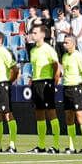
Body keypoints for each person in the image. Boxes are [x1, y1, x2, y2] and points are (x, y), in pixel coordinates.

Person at [26, 24, 61, 153]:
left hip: (47, 82)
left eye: (35, 33)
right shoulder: (33, 50)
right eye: (32, 33)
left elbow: (56, 65)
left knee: (51, 112)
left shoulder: (48, 49)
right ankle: (41, 146)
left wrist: (54, 81)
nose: (33, 35)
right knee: (39, 113)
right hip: (36, 83)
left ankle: (56, 146)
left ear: (42, 35)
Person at [57, 37, 82, 155]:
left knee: (80, 116)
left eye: (67, 42)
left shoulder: (78, 56)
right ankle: (71, 146)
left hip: (76, 88)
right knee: (69, 117)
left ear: (73, 44)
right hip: (66, 88)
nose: (64, 44)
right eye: (64, 42)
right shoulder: (65, 57)